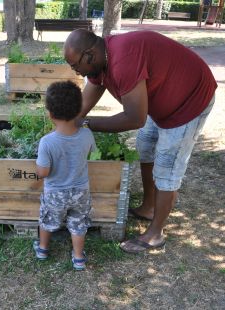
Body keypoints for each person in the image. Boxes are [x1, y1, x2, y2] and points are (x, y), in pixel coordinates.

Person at [63, 29, 217, 254]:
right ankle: (148, 206)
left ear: (89, 55)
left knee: (167, 164)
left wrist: (86, 123)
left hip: (190, 99)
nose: (74, 70)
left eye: (75, 65)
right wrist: (67, 122)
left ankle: (156, 233)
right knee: (145, 146)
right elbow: (87, 99)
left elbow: (135, 118)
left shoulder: (123, 62)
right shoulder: (100, 61)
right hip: (163, 99)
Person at [33, 80, 97, 271]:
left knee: (48, 219)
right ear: (79, 111)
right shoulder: (87, 135)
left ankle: (43, 249)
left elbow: (43, 172)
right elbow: (91, 154)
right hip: (80, 192)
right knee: (78, 223)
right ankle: (78, 257)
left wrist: (38, 169)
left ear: (50, 114)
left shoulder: (47, 142)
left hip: (55, 193)